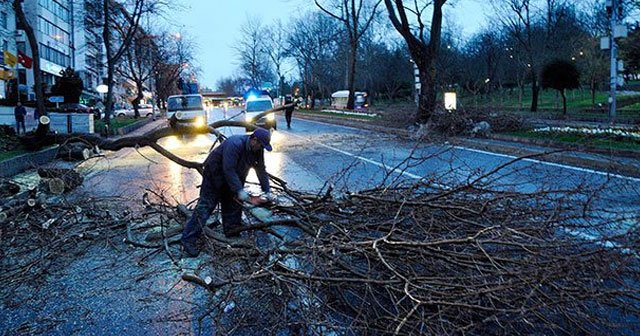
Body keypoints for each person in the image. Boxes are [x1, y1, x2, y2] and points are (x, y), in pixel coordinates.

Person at [181, 128, 275, 257]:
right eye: (260, 145)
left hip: (235, 175)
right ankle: (188, 239)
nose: (261, 148)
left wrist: (267, 191)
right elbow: (228, 169)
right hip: (215, 174)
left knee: (234, 205)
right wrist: (239, 191)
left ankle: (232, 230)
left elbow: (261, 170)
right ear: (254, 140)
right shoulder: (235, 144)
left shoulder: (258, 149)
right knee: (206, 206)